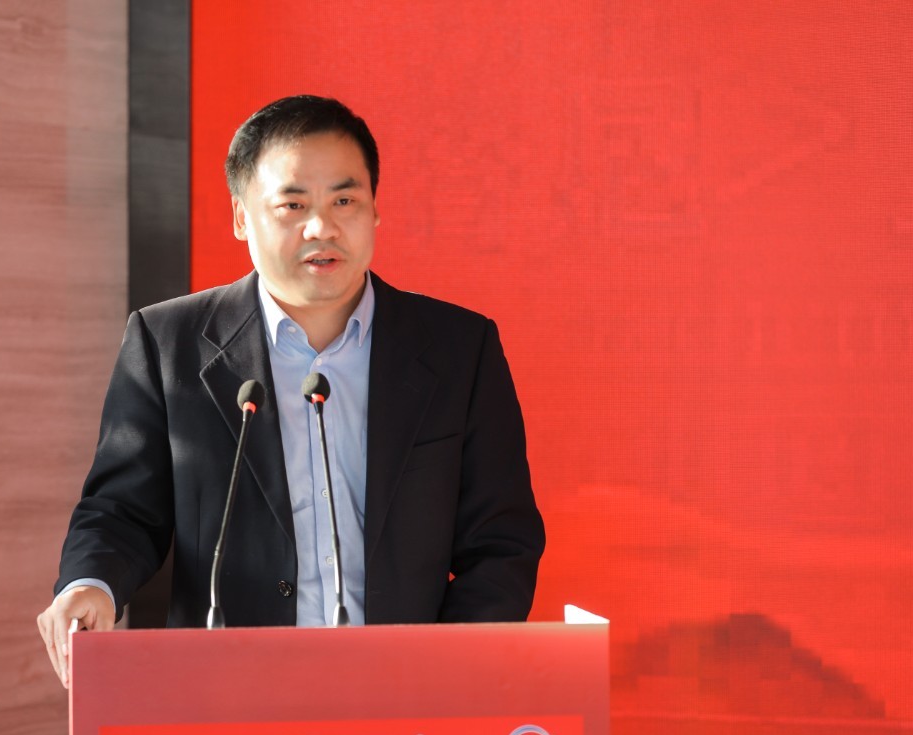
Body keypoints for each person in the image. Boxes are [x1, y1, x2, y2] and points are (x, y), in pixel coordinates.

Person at [37, 95, 544, 686]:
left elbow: (500, 541)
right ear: (240, 217)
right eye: (293, 205)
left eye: (344, 201)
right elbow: (122, 511)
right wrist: (91, 583)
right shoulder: (168, 343)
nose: (321, 228)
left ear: (375, 209)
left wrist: (449, 671)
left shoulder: (459, 348)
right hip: (232, 694)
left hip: (408, 697)